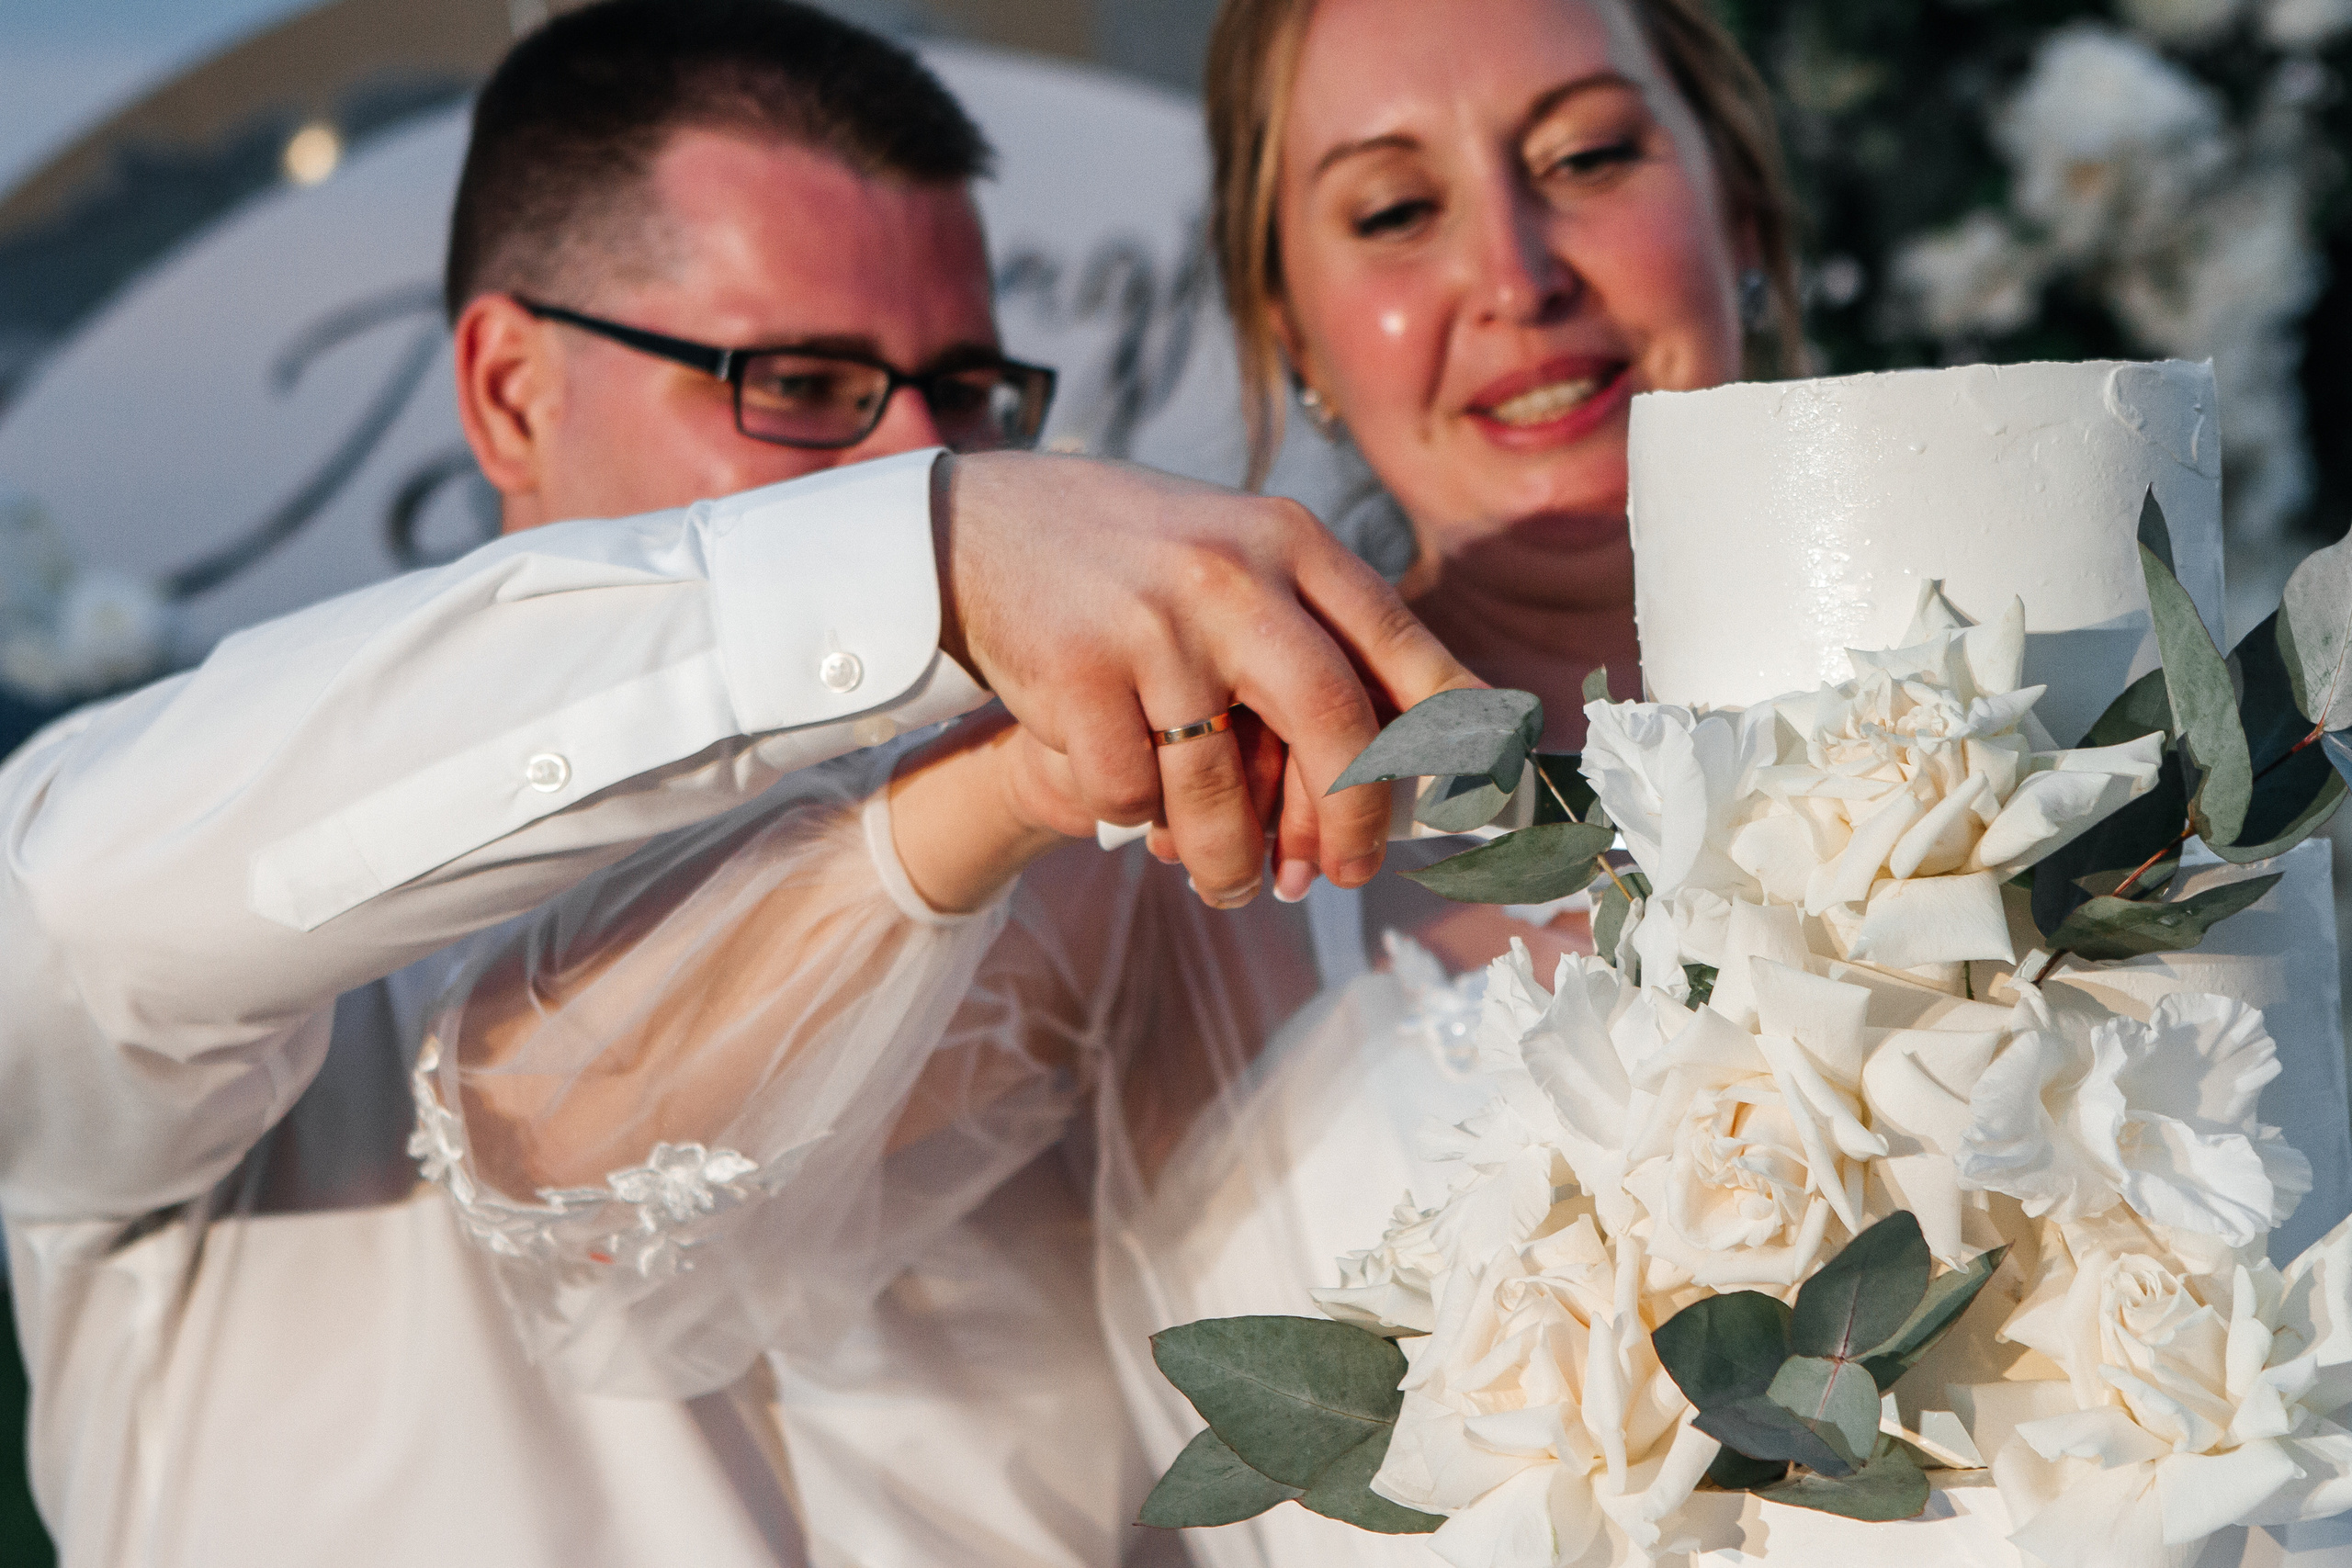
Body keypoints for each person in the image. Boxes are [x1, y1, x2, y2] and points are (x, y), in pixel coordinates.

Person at [0, 4, 1474, 1565]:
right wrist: (934, 554)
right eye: (808, 384)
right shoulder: (266, 901)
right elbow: (60, 915)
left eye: (966, 400)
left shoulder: (1081, 899)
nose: (916, 452)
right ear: (509, 392)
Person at [413, 0, 1805, 1563]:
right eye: (1396, 210)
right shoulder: (1197, 815)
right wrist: (1006, 786)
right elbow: (549, 1153)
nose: (1516, 273)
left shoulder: (2085, 708)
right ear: (1289, 326)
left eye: (1590, 155)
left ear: (1740, 204)